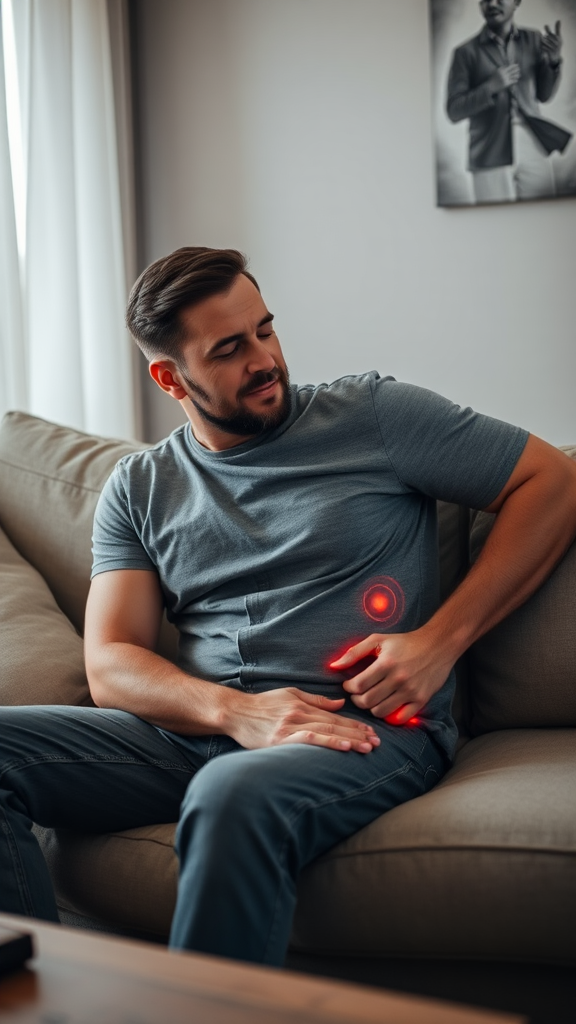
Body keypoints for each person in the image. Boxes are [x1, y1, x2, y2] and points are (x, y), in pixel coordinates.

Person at [1, 246, 575, 967]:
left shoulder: (374, 415)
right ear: (168, 376)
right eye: (231, 349)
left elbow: (550, 481)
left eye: (265, 330)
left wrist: (440, 641)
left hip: (355, 727)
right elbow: (112, 664)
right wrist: (235, 711)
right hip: (199, 732)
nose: (265, 358)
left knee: (231, 794)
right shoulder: (140, 487)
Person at [446, 0, 571, 203]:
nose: (492, 4)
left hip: (533, 143)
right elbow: (453, 111)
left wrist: (554, 61)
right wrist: (490, 87)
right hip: (488, 151)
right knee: (493, 224)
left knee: (543, 217)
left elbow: (544, 96)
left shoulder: (535, 40)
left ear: (517, 2)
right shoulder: (465, 52)